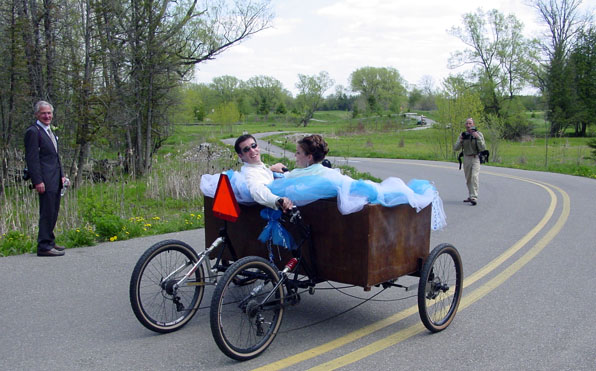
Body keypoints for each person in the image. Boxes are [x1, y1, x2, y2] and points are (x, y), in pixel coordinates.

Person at [24, 101, 66, 257]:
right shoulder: (33, 132)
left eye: (49, 113)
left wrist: (62, 176)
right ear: (37, 115)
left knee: (53, 211)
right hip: (45, 179)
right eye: (43, 113)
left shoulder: (50, 131)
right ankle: (43, 246)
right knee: (47, 212)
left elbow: (55, 157)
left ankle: (50, 240)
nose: (47, 116)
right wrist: (37, 181)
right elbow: (32, 159)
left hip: (55, 178)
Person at [234, 134, 293, 211]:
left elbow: (260, 174)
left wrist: (271, 169)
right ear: (241, 156)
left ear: (258, 147)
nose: (252, 150)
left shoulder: (257, 166)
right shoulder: (249, 174)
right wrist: (277, 200)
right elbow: (257, 190)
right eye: (246, 149)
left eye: (253, 145)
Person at [453, 118, 486, 206]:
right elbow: (456, 148)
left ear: (473, 124)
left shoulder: (479, 134)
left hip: (475, 158)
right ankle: (470, 195)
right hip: (466, 158)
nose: (468, 125)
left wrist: (477, 137)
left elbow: (483, 148)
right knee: (468, 178)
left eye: (470, 123)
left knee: (474, 176)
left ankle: (474, 197)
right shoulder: (463, 135)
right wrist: (460, 140)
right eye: (467, 123)